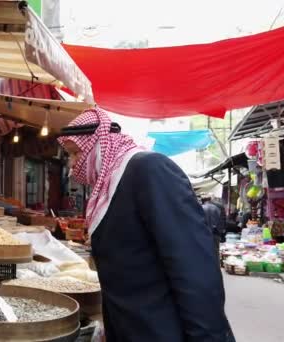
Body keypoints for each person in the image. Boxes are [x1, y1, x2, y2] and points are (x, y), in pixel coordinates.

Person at [58, 108, 234, 342]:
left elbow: (193, 266)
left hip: (161, 331)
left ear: (99, 143)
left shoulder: (148, 169)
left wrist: (207, 337)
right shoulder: (109, 186)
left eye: (76, 153)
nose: (72, 165)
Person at [201, 194, 224, 261]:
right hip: (216, 233)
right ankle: (216, 266)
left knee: (205, 251)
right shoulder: (216, 208)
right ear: (210, 200)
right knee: (216, 251)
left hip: (205, 233)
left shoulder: (201, 208)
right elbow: (221, 220)